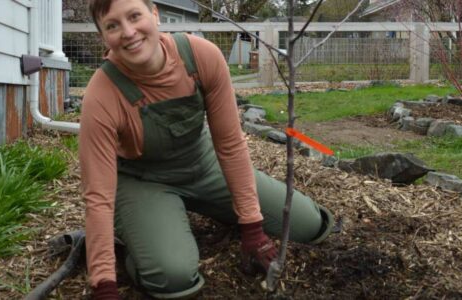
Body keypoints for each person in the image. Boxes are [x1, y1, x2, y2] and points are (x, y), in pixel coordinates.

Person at [78, 0, 334, 299]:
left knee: (308, 226)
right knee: (172, 277)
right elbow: (98, 196)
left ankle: (190, 218)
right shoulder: (102, 95)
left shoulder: (200, 57)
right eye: (112, 25)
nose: (128, 32)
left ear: (155, 14)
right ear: (103, 37)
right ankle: (136, 245)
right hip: (143, 182)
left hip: (205, 166)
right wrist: (104, 284)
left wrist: (252, 227)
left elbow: (230, 145)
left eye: (134, 16)